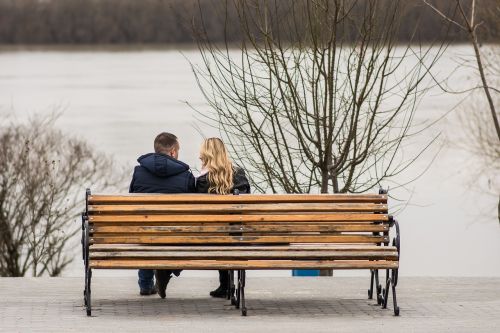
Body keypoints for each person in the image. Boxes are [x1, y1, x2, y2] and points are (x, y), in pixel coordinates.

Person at [129, 132, 195, 298]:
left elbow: (132, 202)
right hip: (175, 234)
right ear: (173, 152)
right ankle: (166, 269)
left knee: (147, 231)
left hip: (147, 233)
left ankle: (145, 284)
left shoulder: (139, 172)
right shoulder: (186, 176)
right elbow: (193, 210)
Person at [195, 137, 250, 298]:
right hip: (238, 233)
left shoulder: (202, 180)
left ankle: (225, 285)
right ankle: (227, 285)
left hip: (211, 235)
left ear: (207, 155)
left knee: (219, 232)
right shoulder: (239, 174)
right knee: (228, 231)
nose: (199, 157)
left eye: (201, 154)